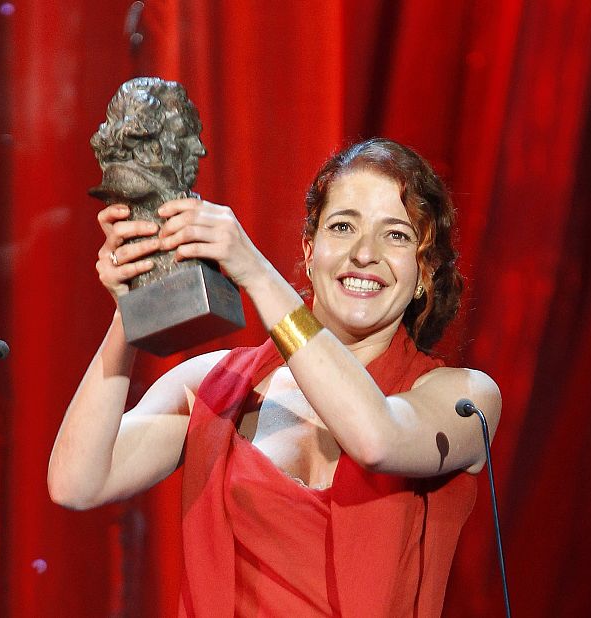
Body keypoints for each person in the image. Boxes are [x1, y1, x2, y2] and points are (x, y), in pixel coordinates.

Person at [48, 138, 502, 617]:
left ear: (425, 272)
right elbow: (77, 483)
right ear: (310, 250)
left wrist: (256, 272)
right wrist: (132, 306)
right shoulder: (218, 387)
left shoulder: (466, 399)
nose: (364, 253)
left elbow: (376, 439)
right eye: (343, 227)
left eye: (396, 235)